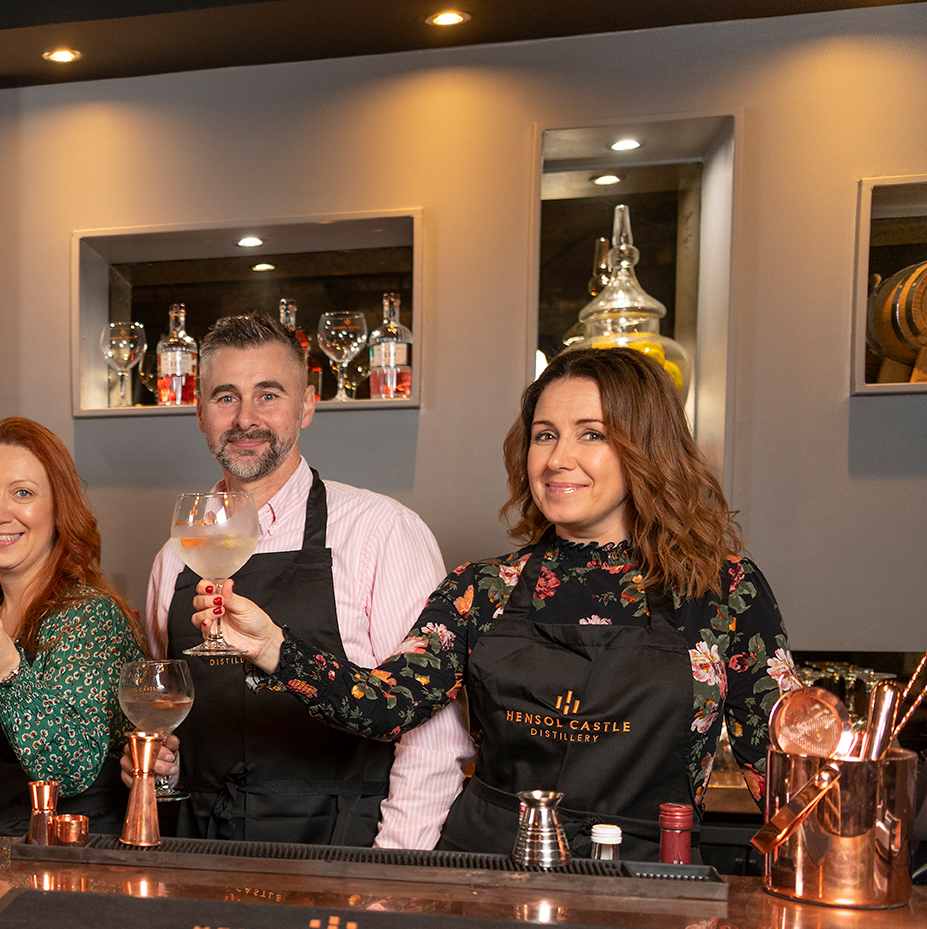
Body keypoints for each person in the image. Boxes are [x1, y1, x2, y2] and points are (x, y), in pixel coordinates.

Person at [198, 345, 796, 861]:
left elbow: (786, 775)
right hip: (487, 870)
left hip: (648, 878)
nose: (559, 458)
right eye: (545, 435)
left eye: (592, 434)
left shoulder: (722, 593)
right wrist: (276, 648)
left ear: (647, 448)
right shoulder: (483, 588)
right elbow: (387, 708)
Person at [134, 312, 471, 848]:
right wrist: (162, 767)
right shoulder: (176, 556)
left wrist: (388, 875)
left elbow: (431, 736)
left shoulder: (381, 531)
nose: (246, 419)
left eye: (268, 395)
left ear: (307, 405)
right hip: (201, 845)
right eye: (225, 397)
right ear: (199, 413)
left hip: (340, 847)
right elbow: (173, 718)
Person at [0, 418, 144, 834]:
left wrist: (9, 670)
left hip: (61, 857)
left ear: (59, 508)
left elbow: (72, 769)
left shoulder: (90, 616)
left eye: (22, 493)